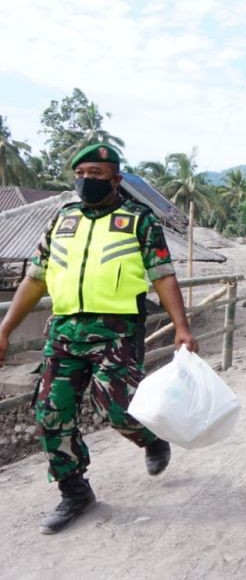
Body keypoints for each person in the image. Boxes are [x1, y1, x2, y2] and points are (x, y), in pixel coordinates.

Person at [0, 143, 198, 535]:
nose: (86, 180)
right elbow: (35, 279)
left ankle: (152, 440)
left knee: (118, 409)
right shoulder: (62, 219)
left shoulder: (139, 219)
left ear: (116, 179)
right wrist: (4, 329)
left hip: (117, 331)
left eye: (96, 174)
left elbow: (162, 275)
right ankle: (75, 492)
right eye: (82, 173)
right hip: (63, 332)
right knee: (51, 415)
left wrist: (182, 327)